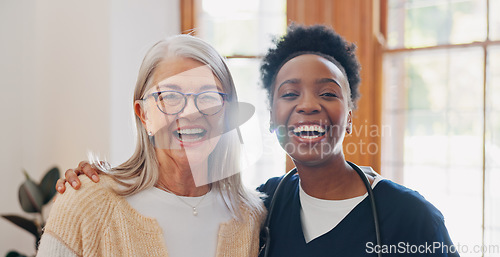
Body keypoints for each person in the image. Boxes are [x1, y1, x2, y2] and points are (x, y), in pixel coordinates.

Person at [59, 25, 459, 256]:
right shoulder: (266, 205)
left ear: (350, 115)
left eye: (328, 93)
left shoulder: (411, 217)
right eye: (289, 94)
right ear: (271, 118)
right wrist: (98, 181)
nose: (308, 106)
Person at [37, 34, 265, 257]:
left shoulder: (251, 216)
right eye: (170, 96)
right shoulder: (85, 203)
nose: (190, 112)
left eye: (208, 96)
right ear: (144, 114)